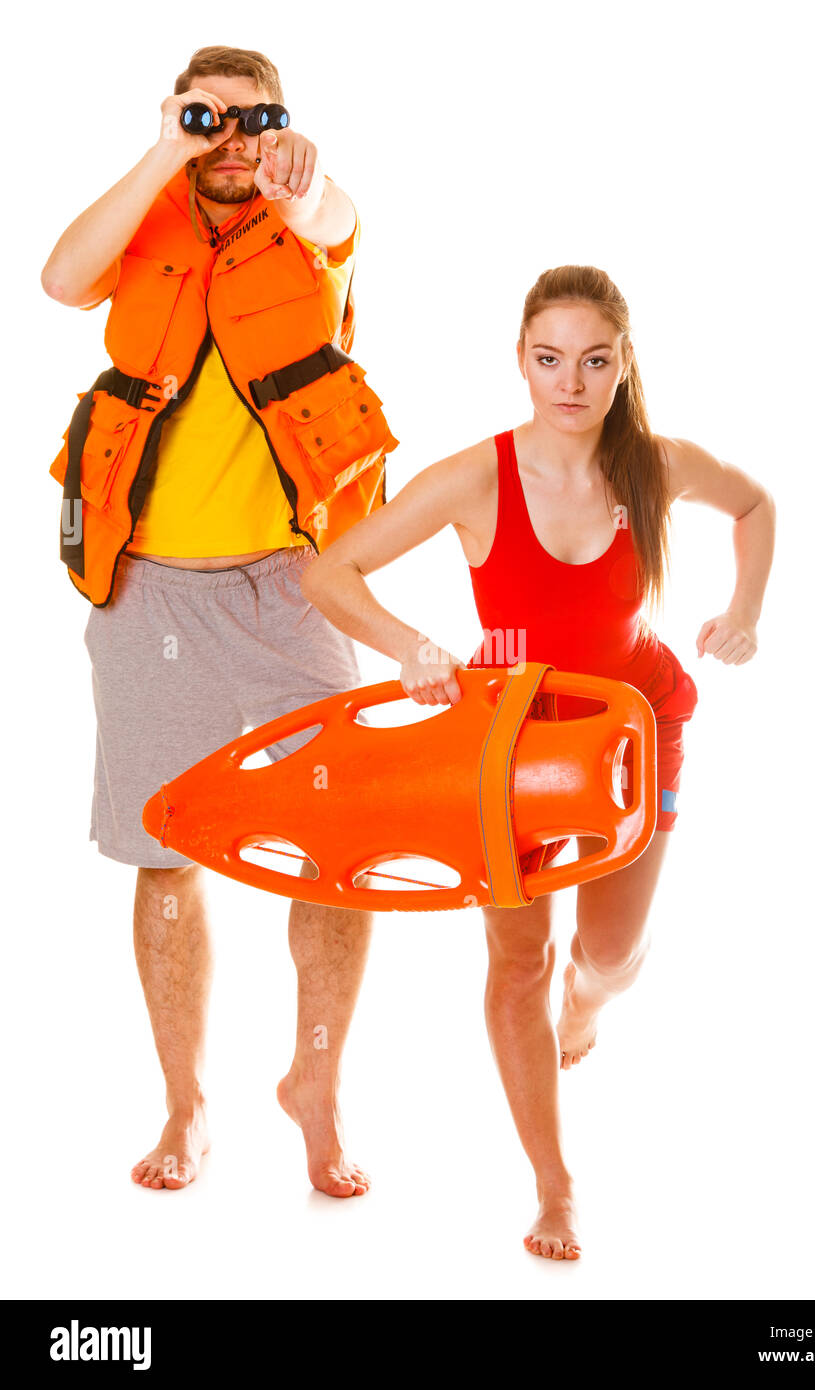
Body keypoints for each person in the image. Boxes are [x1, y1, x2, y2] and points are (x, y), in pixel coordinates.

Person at [299, 264, 776, 1259]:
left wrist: (742, 614)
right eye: (549, 359)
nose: (571, 381)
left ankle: (589, 1003)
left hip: (631, 734)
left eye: (593, 361)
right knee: (518, 962)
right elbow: (328, 570)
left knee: (604, 957)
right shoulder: (477, 475)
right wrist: (411, 647)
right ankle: (555, 1189)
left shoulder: (654, 462)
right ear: (519, 360)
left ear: (621, 364)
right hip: (510, 742)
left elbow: (754, 504)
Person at [42, 46, 398, 1197]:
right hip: (149, 589)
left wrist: (300, 169)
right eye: (212, 117)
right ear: (182, 118)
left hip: (291, 590)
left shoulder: (310, 220)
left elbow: (332, 211)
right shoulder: (146, 219)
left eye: (258, 117)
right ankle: (186, 1105)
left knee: (336, 857)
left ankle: (317, 1089)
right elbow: (59, 279)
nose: (232, 136)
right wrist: (166, 147)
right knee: (160, 857)